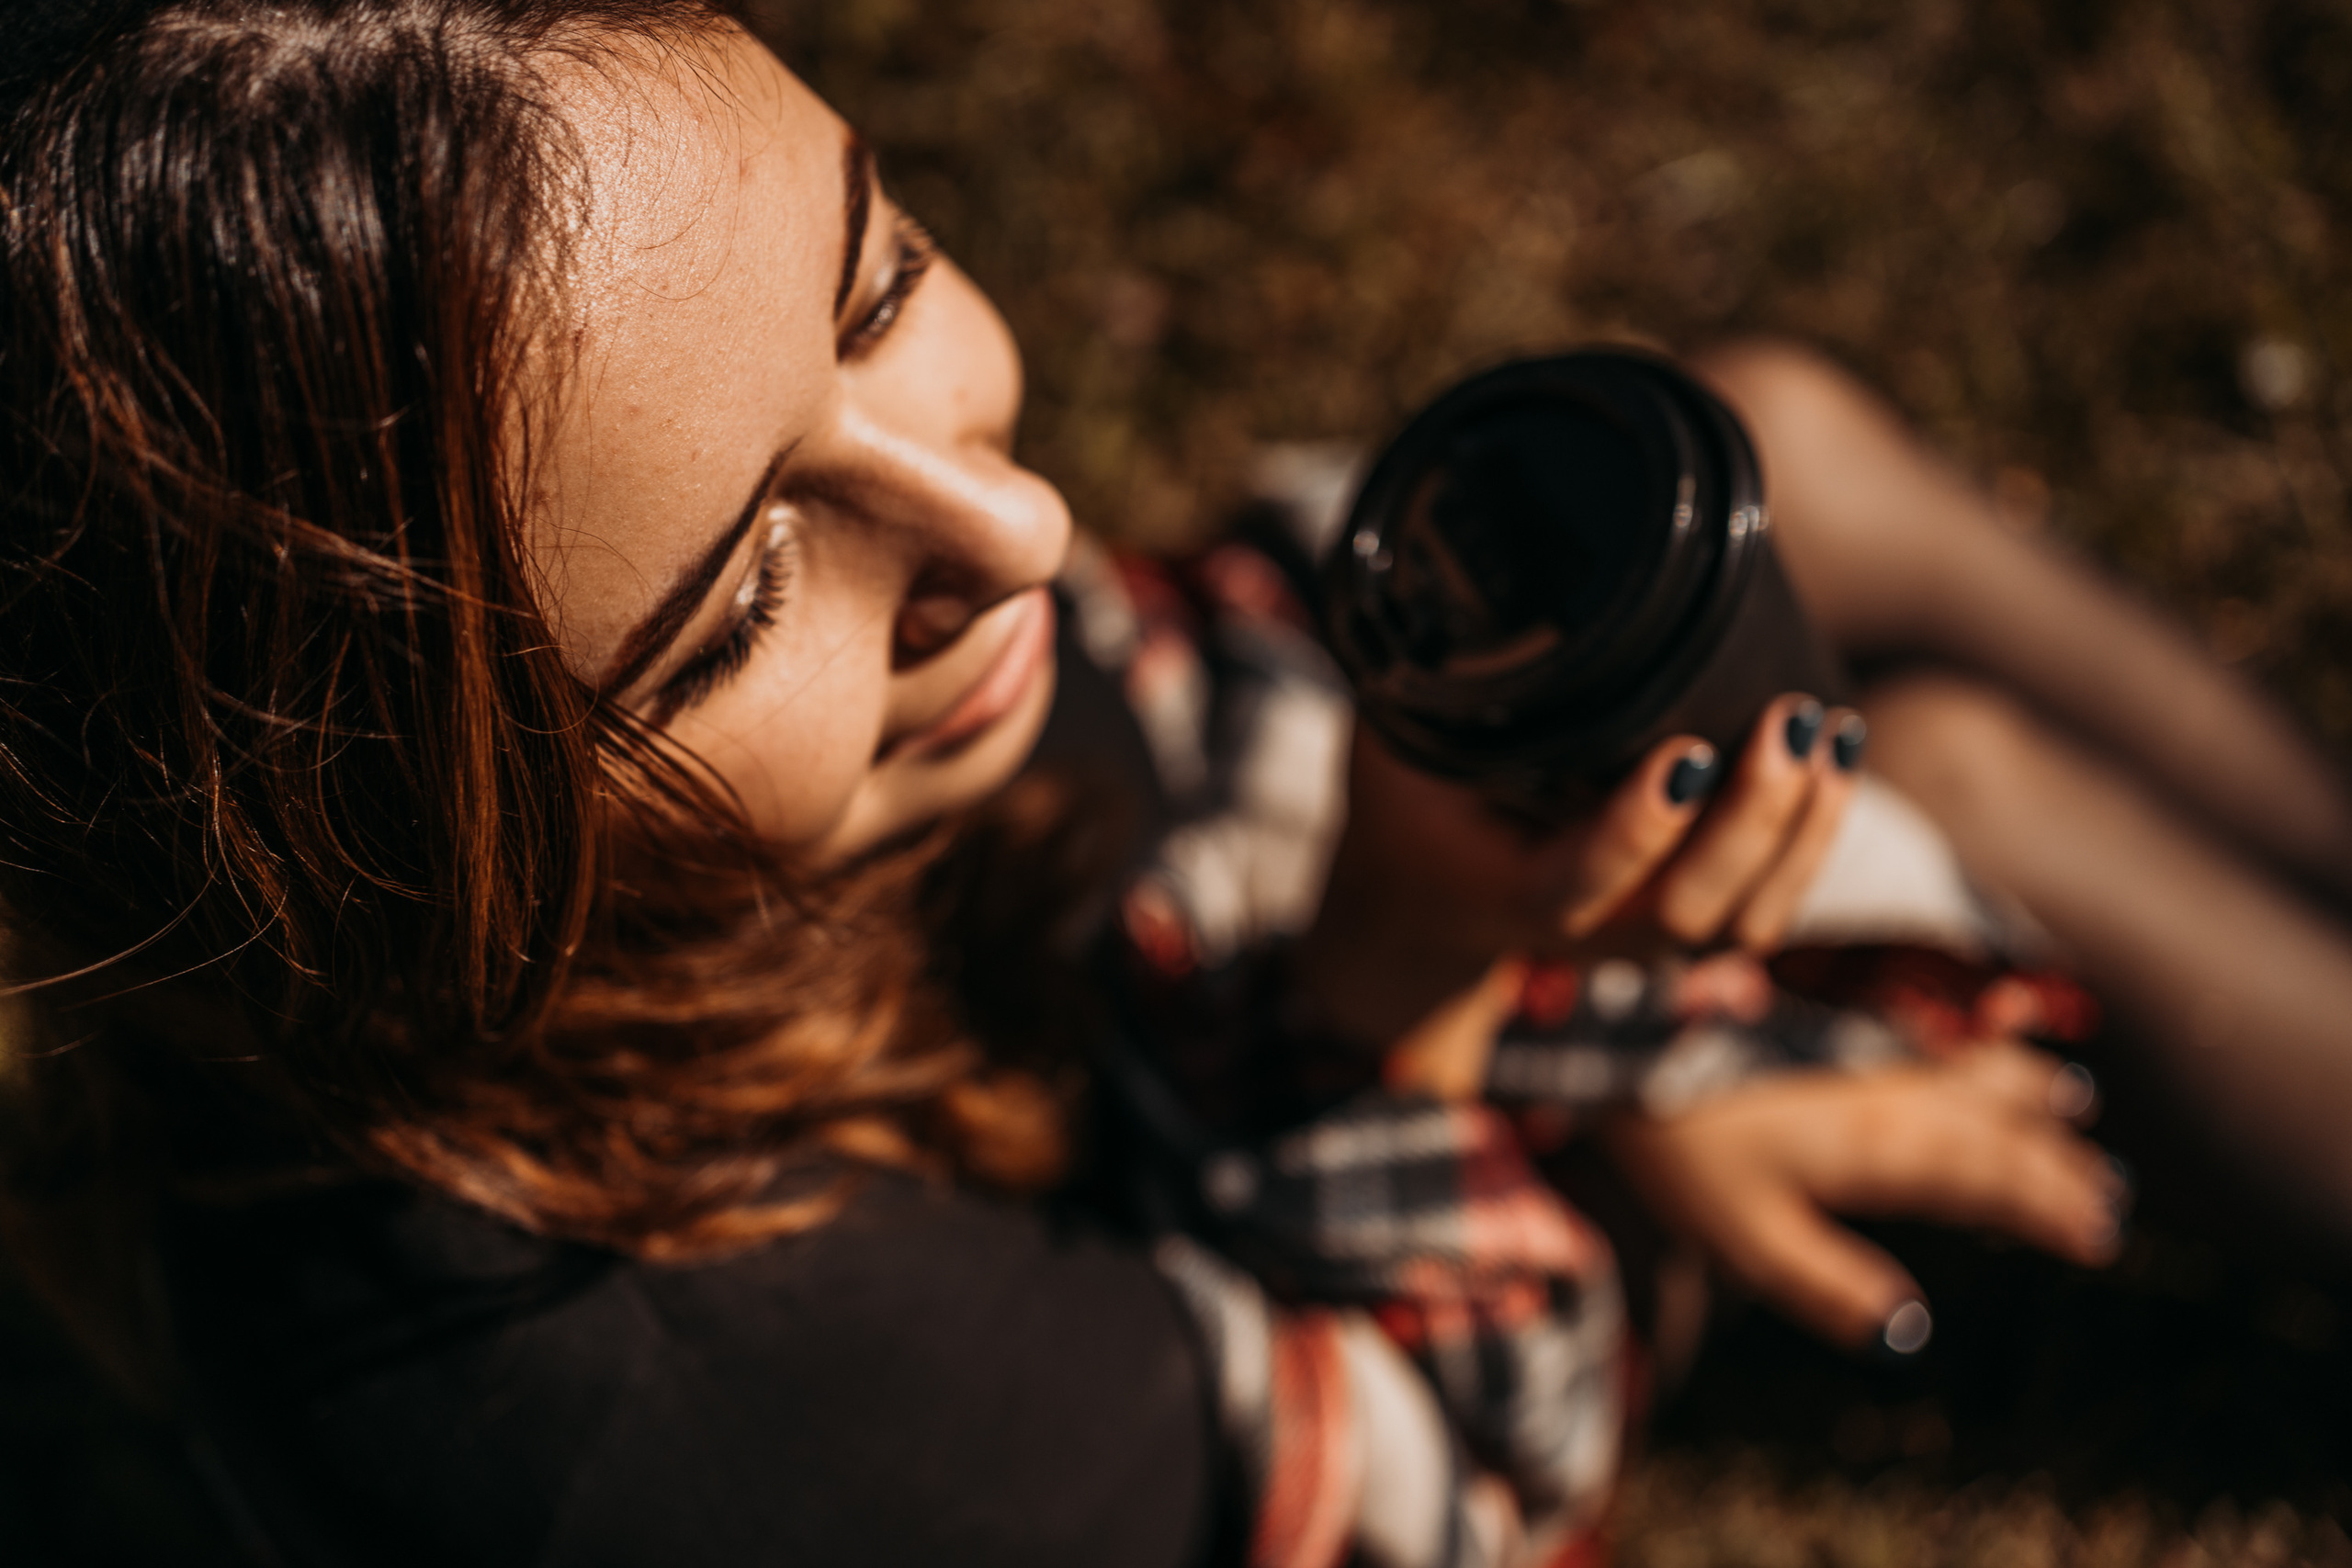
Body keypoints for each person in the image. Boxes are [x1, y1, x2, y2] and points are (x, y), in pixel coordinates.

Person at [0, 4, 2151, 1565]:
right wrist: (1438, 1000)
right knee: (1965, 776)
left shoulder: (766, 756)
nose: (1006, 529)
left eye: (879, 281)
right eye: (743, 594)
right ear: (389, 839)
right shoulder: (663, 1404)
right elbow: (1476, 1493)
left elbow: (1164, 676)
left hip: (1233, 1045)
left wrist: (1599, 1042)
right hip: (1354, 1261)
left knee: (1739, 428)